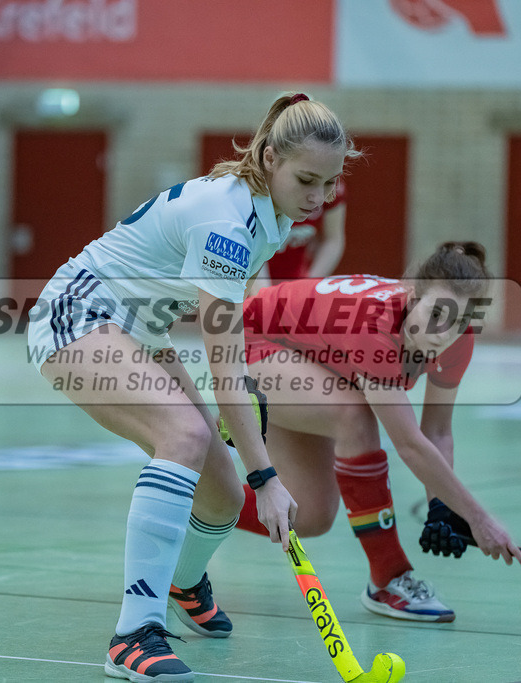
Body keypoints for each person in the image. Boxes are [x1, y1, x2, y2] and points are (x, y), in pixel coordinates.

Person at [27, 92, 361, 682]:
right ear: (269, 158)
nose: (318, 197)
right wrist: (268, 477)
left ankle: (182, 582)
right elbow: (222, 358)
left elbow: (229, 334)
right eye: (307, 180)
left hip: (141, 328)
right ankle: (134, 635)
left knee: (222, 497)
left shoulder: (272, 212)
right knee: (183, 436)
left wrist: (247, 459)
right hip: (77, 314)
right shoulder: (226, 222)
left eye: (330, 183)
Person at [229, 241, 521, 623]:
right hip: (251, 338)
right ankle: (388, 577)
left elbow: (437, 431)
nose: (442, 333)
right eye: (436, 314)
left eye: (457, 321)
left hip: (309, 353)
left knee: (311, 514)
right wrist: (479, 519)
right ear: (412, 295)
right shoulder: (375, 327)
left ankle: (202, 501)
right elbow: (410, 444)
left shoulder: (458, 341)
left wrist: (441, 507)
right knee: (354, 416)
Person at [266, 177, 347, 280]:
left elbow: (333, 240)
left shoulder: (332, 185)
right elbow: (253, 244)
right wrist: (262, 288)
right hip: (251, 276)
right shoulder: (264, 184)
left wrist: (308, 283)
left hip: (295, 277)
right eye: (305, 180)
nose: (317, 199)